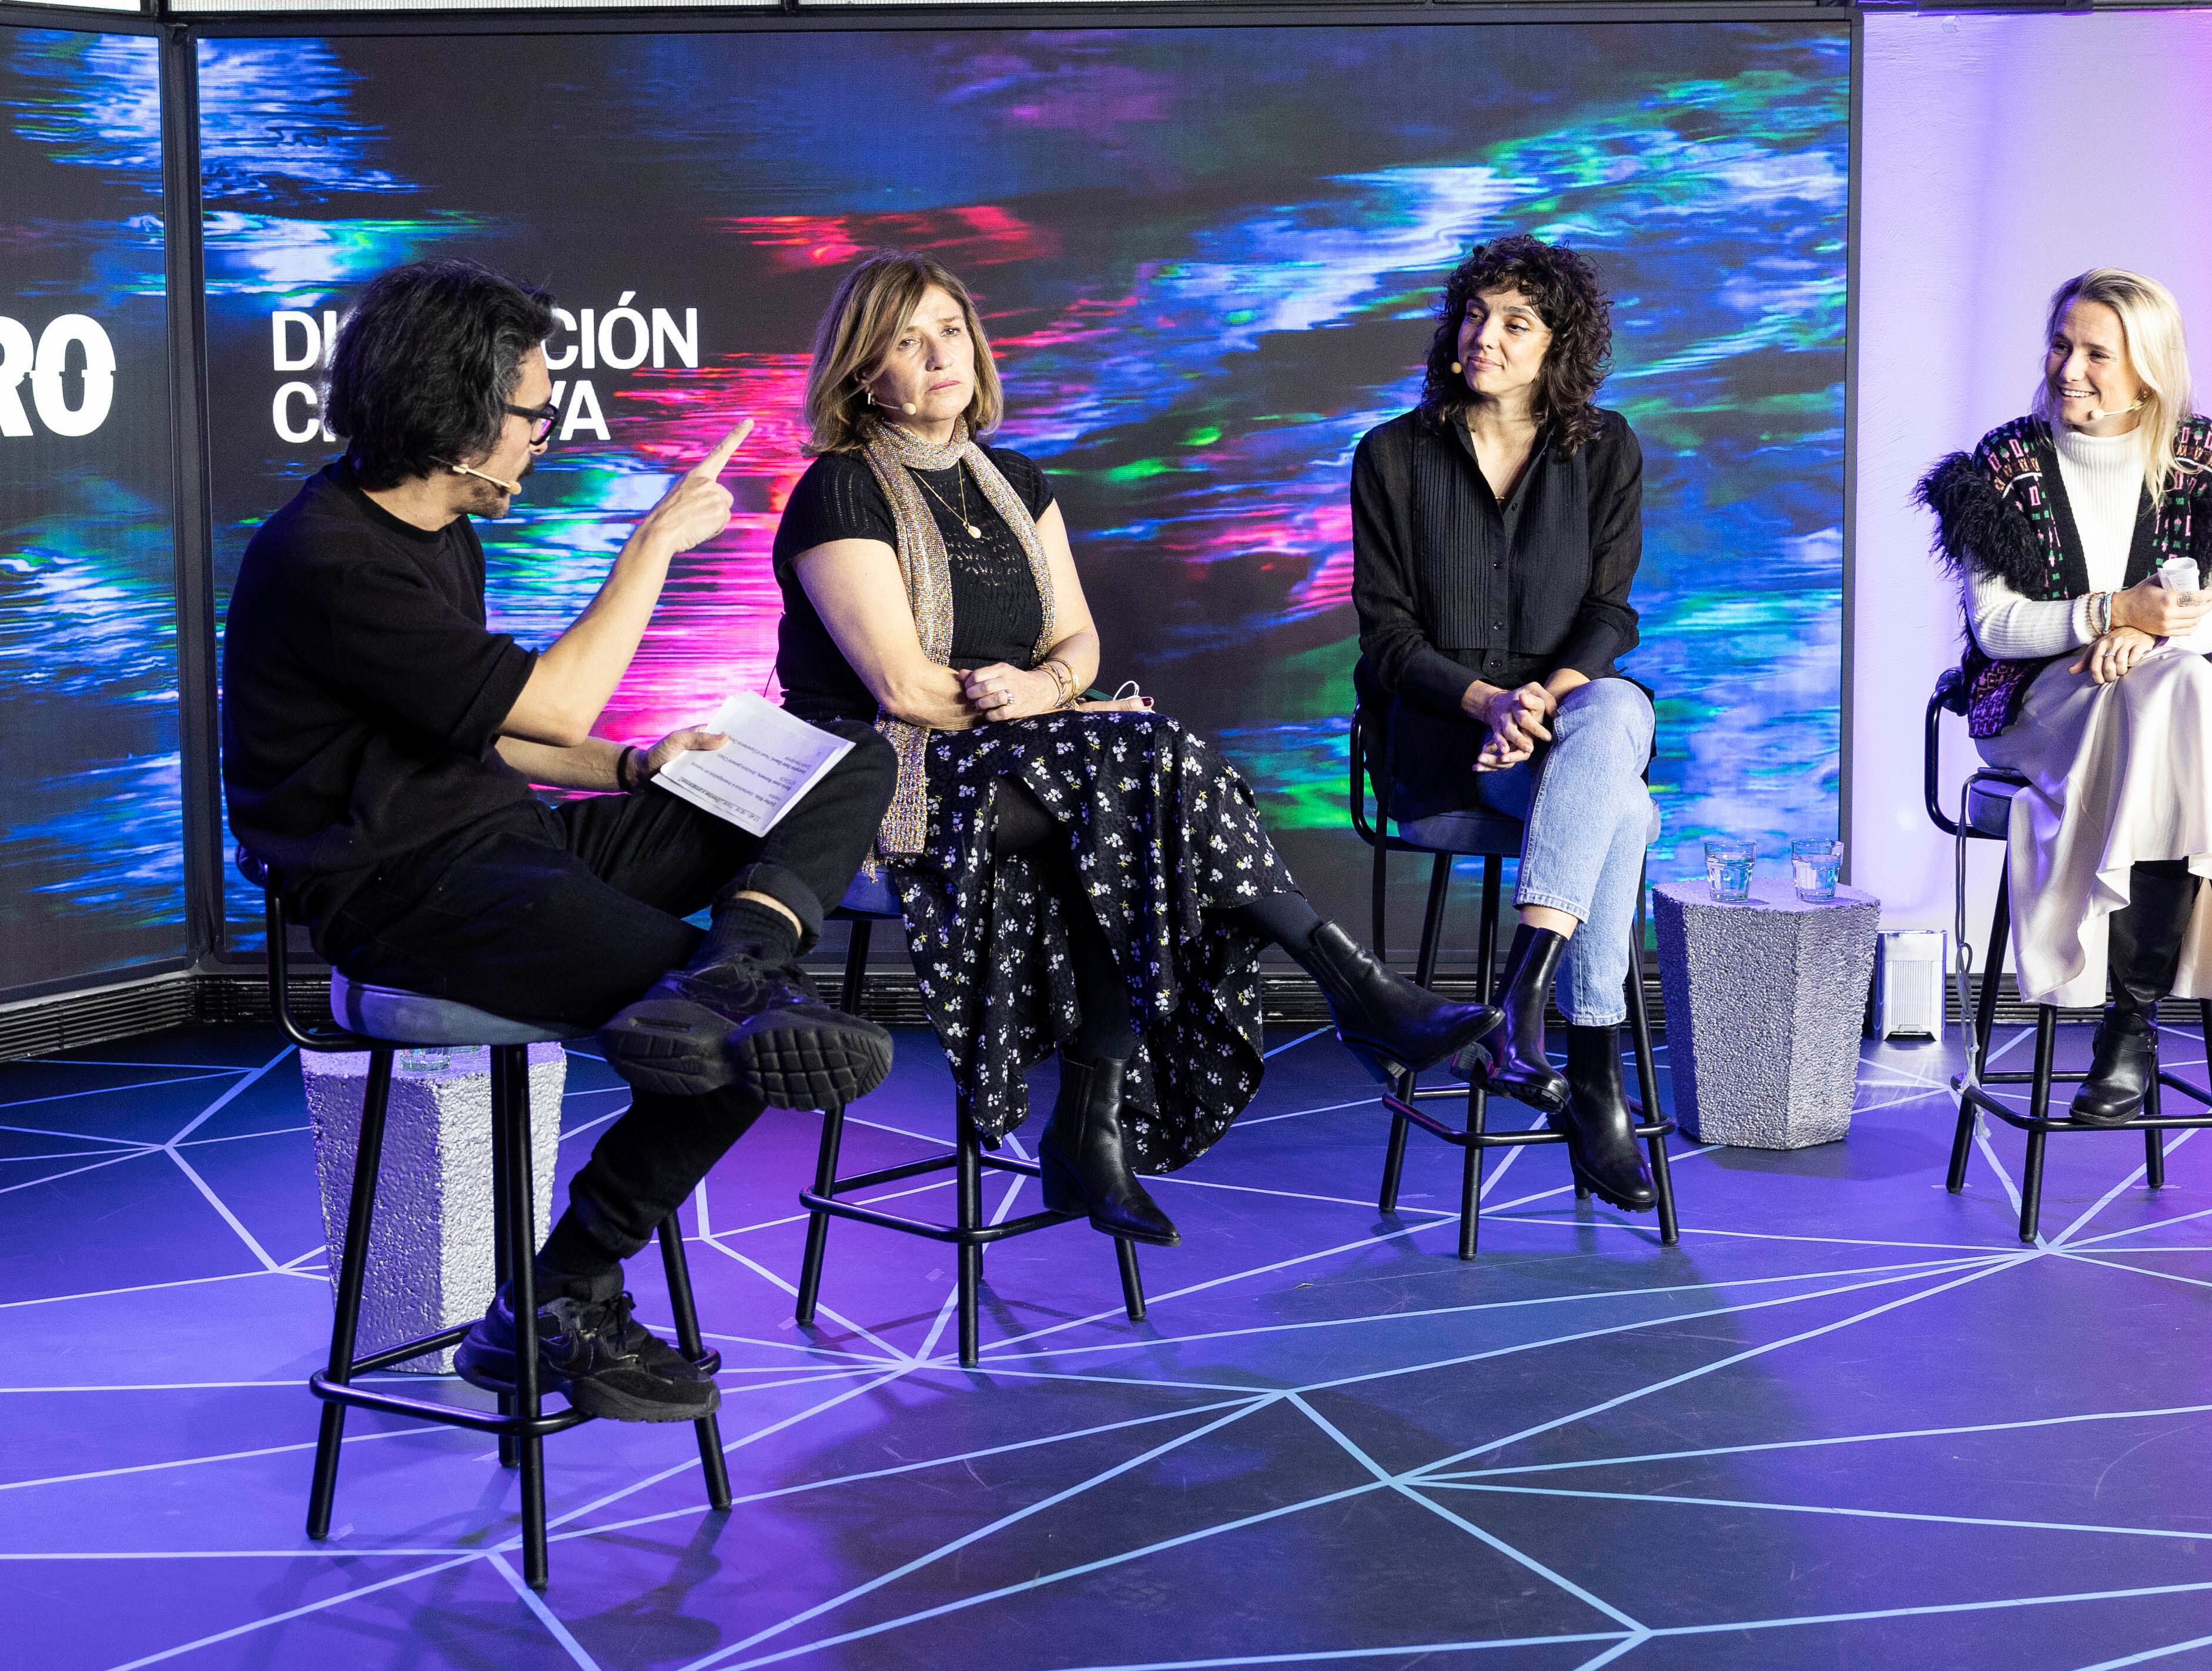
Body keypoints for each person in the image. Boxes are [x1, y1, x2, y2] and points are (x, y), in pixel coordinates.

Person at [222, 258, 899, 1423]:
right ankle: (558, 1289)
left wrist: (636, 771)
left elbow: (499, 731)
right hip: (404, 895)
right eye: (533, 413)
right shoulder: (329, 559)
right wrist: (648, 551)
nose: (547, 431)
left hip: (508, 841)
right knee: (737, 1046)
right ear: (454, 414)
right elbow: (552, 708)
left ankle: (740, 958)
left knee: (844, 760)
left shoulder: (438, 526)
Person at [769, 250, 1497, 1246]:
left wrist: (1044, 688)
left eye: (949, 328)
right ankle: (1336, 994)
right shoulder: (838, 492)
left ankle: (1098, 1125)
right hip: (888, 778)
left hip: (1035, 761)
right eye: (906, 338)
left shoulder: (1017, 480)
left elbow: (1076, 641)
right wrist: (1045, 709)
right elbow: (902, 687)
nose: (939, 352)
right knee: (1139, 773)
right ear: (863, 372)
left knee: (1129, 798)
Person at [1917, 266, 2212, 1125]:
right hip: (2034, 708)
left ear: (2147, 367)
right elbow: (1997, 626)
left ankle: (2129, 1026)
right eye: (2058, 345)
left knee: (2169, 692)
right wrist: (2112, 611)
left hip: (2150, 708)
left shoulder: (2205, 465)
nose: (2066, 369)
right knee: (2174, 704)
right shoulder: (2000, 467)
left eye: (2094, 354)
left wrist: (2152, 635)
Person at [1348, 234, 1661, 1213]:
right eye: (1477, 315)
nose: (1486, 336)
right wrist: (1487, 702)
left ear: (1555, 346)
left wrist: (1541, 699)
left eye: (1515, 323)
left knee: (1612, 703)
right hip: (1444, 743)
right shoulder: (1391, 455)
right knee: (1631, 814)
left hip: (1563, 732)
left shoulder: (1605, 449)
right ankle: (1593, 1075)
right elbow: (1387, 637)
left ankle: (1521, 997)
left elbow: (1612, 613)